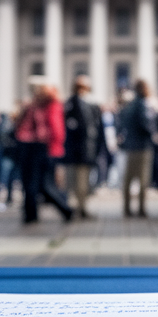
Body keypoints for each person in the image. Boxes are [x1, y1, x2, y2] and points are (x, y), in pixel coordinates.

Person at [16, 80, 73, 223]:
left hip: (35, 146)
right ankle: (60, 209)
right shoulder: (49, 105)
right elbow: (56, 130)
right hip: (42, 147)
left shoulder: (38, 105)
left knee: (36, 183)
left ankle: (34, 213)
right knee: (41, 183)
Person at [62, 75, 104, 218]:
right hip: (79, 150)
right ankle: (80, 208)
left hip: (86, 149)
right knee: (78, 181)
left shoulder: (89, 104)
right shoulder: (73, 103)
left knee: (84, 181)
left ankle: (81, 206)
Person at [117, 79, 157, 217]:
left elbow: (121, 123)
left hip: (130, 145)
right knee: (142, 179)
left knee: (128, 178)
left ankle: (127, 208)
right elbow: (146, 124)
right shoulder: (143, 105)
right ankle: (141, 208)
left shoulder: (129, 105)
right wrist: (154, 133)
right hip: (143, 146)